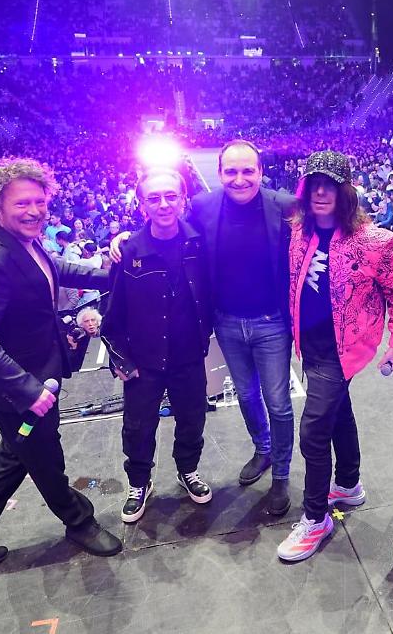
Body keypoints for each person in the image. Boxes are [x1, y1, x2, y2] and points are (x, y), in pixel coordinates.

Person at [0, 157, 121, 568]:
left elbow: (54, 269)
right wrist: (26, 390)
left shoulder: (21, 240)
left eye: (39, 201)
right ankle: (79, 521)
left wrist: (114, 275)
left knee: (17, 450)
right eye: (22, 203)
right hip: (19, 392)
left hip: (35, 379)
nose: (34, 211)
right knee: (45, 457)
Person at [111, 140, 298, 516]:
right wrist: (124, 239)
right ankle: (262, 449)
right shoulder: (203, 208)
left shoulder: (285, 207)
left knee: (277, 403)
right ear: (220, 172)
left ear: (261, 171)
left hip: (270, 323)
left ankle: (280, 473)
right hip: (225, 323)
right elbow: (161, 228)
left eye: (248, 170)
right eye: (231, 171)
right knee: (245, 395)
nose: (240, 178)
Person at [277, 150, 393, 562]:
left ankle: (316, 518)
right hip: (310, 344)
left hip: (345, 349)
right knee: (339, 413)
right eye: (314, 184)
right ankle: (349, 485)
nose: (321, 192)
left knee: (313, 431)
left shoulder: (376, 242)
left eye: (330, 185)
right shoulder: (298, 230)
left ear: (345, 191)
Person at [102, 169, 215, 524]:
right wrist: (120, 358)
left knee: (192, 419)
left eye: (170, 196)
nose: (163, 204)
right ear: (142, 205)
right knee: (138, 427)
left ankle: (188, 470)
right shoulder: (128, 250)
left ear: (183, 199)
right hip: (143, 359)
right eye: (154, 198)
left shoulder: (200, 243)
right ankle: (139, 482)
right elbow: (112, 312)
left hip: (188, 355)